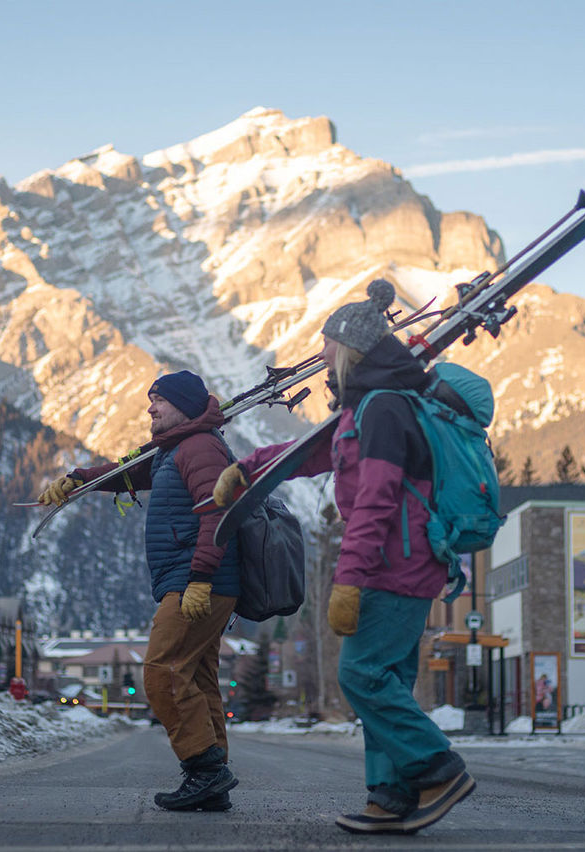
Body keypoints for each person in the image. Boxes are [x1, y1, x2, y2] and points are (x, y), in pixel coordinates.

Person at [212, 279, 475, 836]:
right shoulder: (369, 404)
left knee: (360, 674)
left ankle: (437, 767)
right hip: (406, 563)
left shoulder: (382, 408)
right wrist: (249, 467)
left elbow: (377, 502)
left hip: (396, 565)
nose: (322, 353)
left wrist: (348, 580)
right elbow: (312, 451)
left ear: (350, 346)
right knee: (387, 680)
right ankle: (392, 796)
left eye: (328, 342)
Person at [36, 370, 240, 812]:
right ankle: (212, 780)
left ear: (183, 406)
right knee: (196, 676)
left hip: (196, 582)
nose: (150, 408)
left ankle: (205, 770)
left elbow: (217, 513)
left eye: (158, 401)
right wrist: (78, 479)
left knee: (162, 670)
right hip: (195, 581)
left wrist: (201, 578)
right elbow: (126, 470)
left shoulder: (200, 447)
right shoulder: (175, 449)